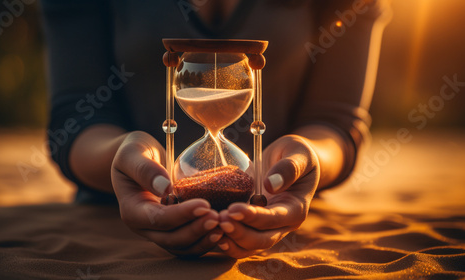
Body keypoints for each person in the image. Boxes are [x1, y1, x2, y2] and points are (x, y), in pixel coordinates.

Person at [40, 0, 392, 258]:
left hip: (287, 217)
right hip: (109, 225)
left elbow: (335, 122)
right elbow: (76, 118)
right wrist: (121, 158)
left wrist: (308, 156)